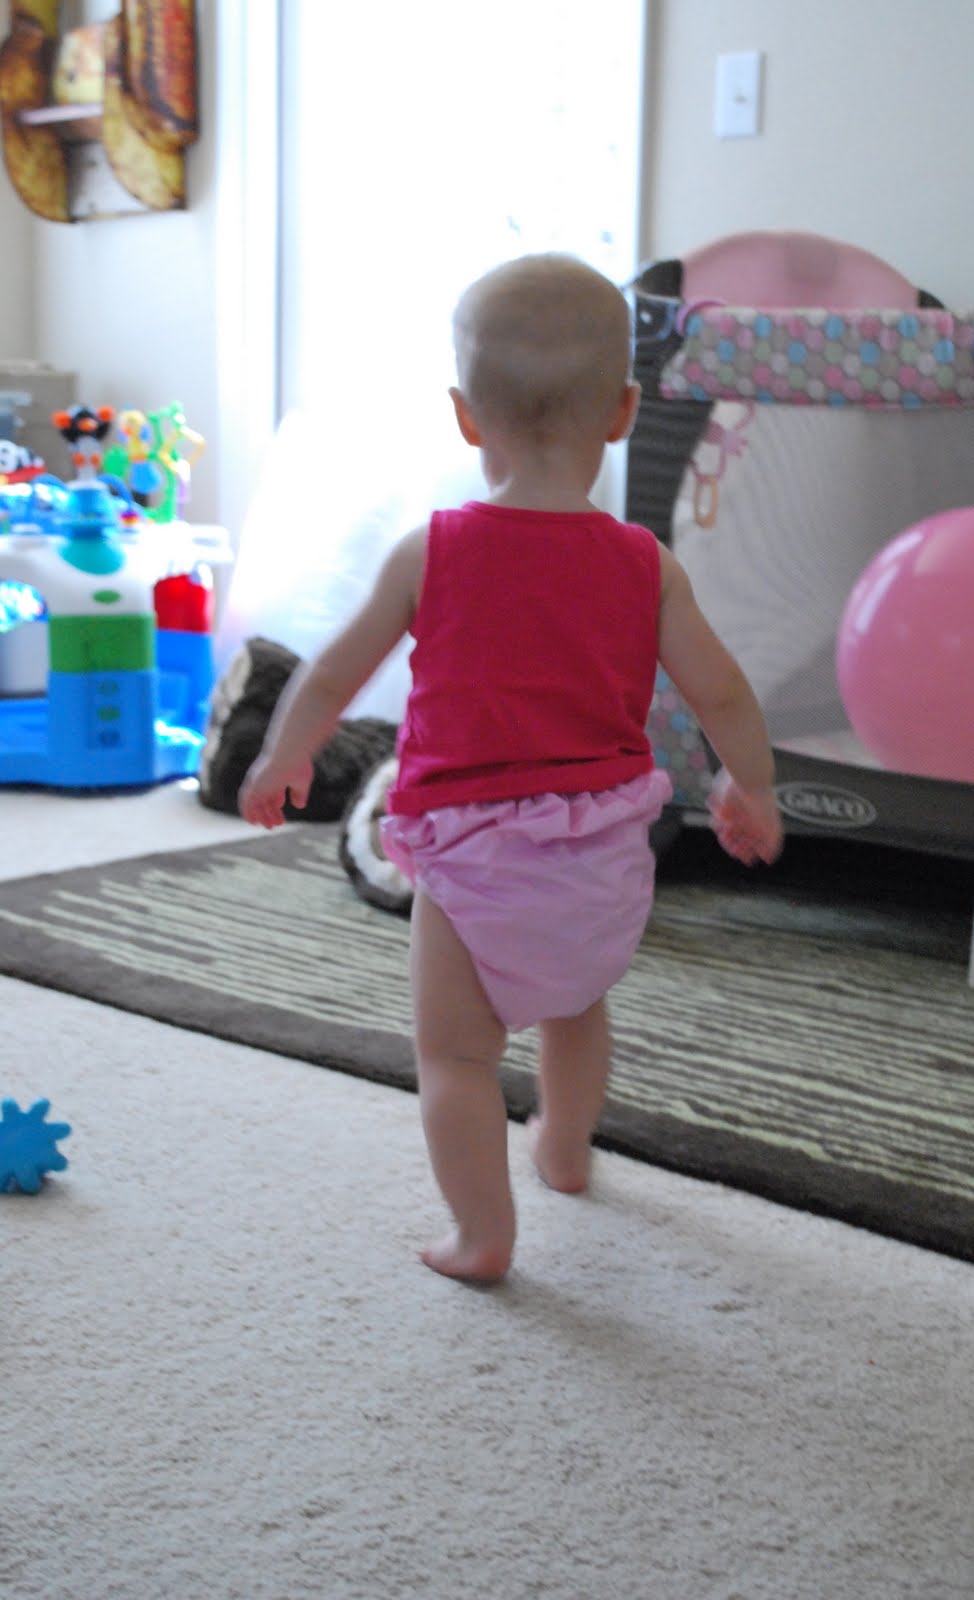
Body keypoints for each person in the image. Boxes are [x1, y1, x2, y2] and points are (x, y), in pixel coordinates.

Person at [239, 253, 783, 1285]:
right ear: (622, 412)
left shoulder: (430, 551)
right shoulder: (646, 564)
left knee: (455, 1055)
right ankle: (565, 1152)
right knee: (576, 1004)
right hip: (604, 844)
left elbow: (333, 672)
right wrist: (749, 787)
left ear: (464, 416)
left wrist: (284, 753)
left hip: (470, 850)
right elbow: (721, 692)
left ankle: (481, 1234)